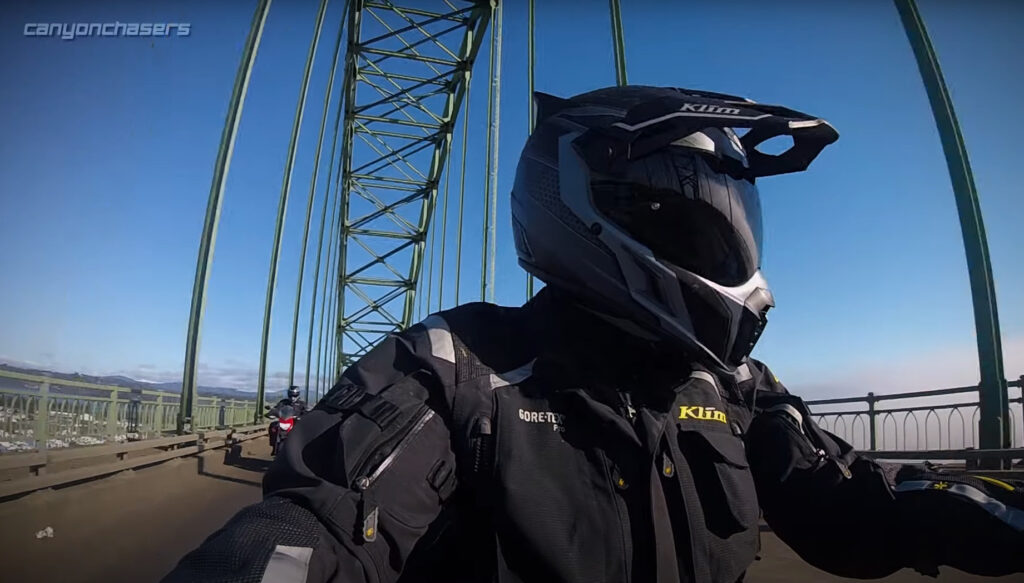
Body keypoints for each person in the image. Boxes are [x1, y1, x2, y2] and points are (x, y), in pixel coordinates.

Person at [163, 86, 1024, 583]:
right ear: (582, 211)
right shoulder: (458, 371)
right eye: (690, 221)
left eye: (730, 221)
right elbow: (310, 524)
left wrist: (971, 513)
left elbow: (854, 503)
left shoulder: (728, 388)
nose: (724, 247)